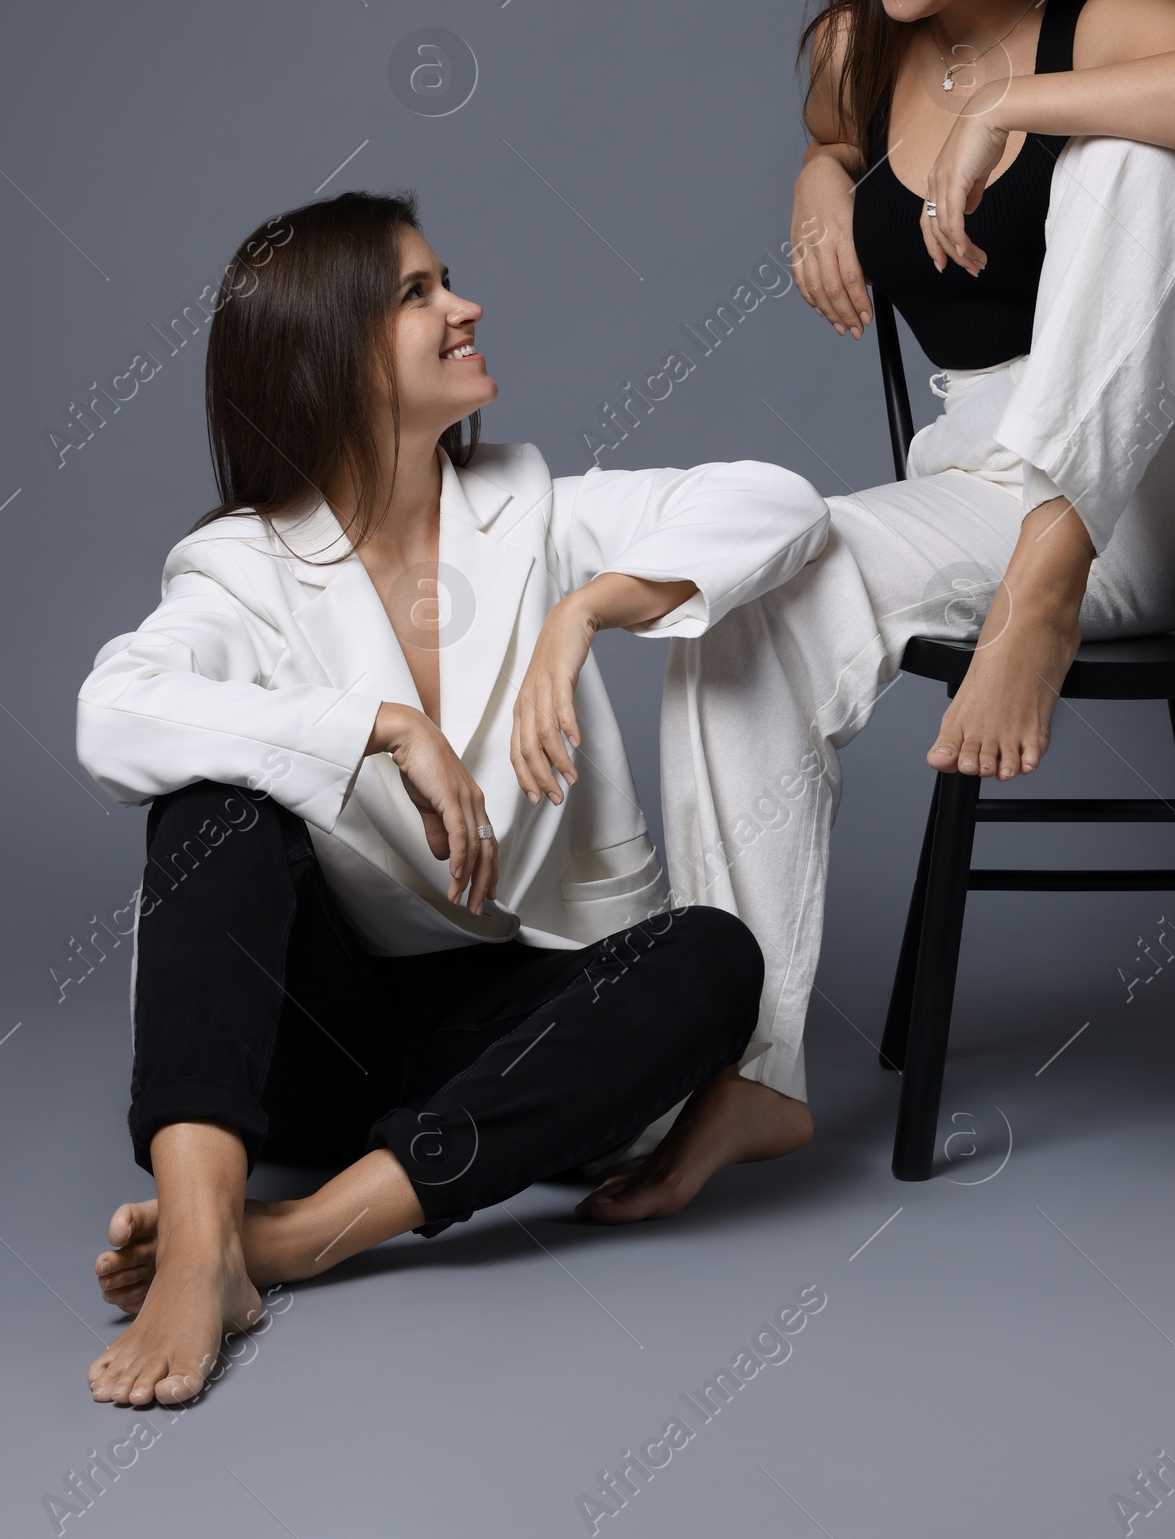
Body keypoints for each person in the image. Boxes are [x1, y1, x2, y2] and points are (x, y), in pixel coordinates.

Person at [585, 0, 1175, 1217]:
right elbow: (826, 139)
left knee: (1147, 155)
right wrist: (818, 186)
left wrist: (1016, 101)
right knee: (752, 601)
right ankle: (749, 1069)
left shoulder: (1090, 17)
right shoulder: (855, 48)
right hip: (988, 458)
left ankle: (1045, 587)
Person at [76, 190, 829, 1406]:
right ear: (328, 351)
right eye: (417, 293)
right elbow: (114, 710)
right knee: (210, 809)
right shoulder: (243, 564)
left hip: (509, 1026)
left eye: (447, 280)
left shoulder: (529, 508)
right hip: (316, 1038)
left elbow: (782, 501)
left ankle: (282, 1238)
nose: (463, 305)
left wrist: (582, 614)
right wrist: (379, 727)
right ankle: (205, 1223)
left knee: (711, 959)